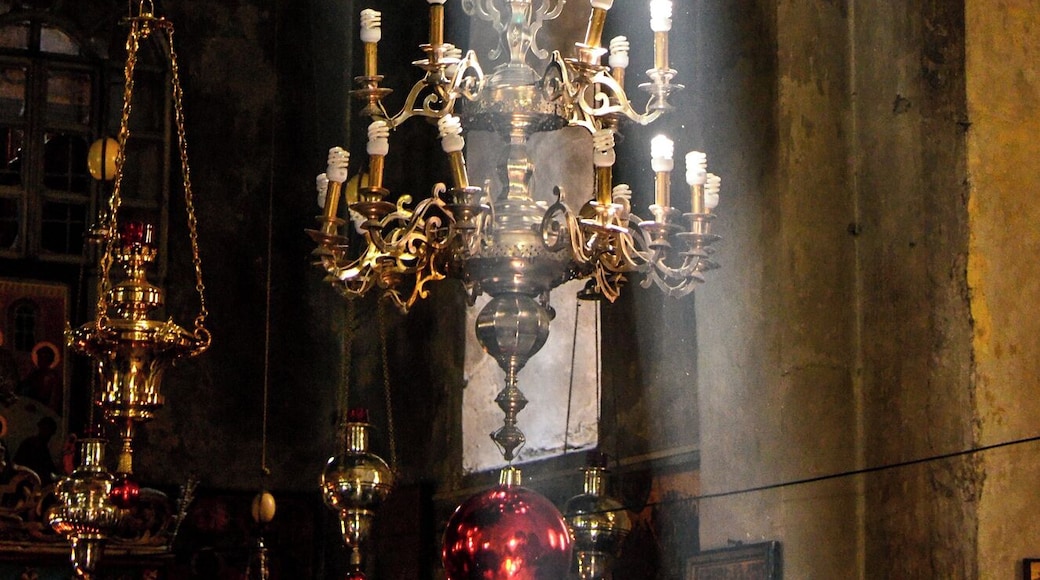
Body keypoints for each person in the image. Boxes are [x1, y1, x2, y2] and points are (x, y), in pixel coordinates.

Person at [13, 417, 58, 484]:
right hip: (29, 482)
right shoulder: (31, 444)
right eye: (45, 429)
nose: (48, 434)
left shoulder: (42, 446)